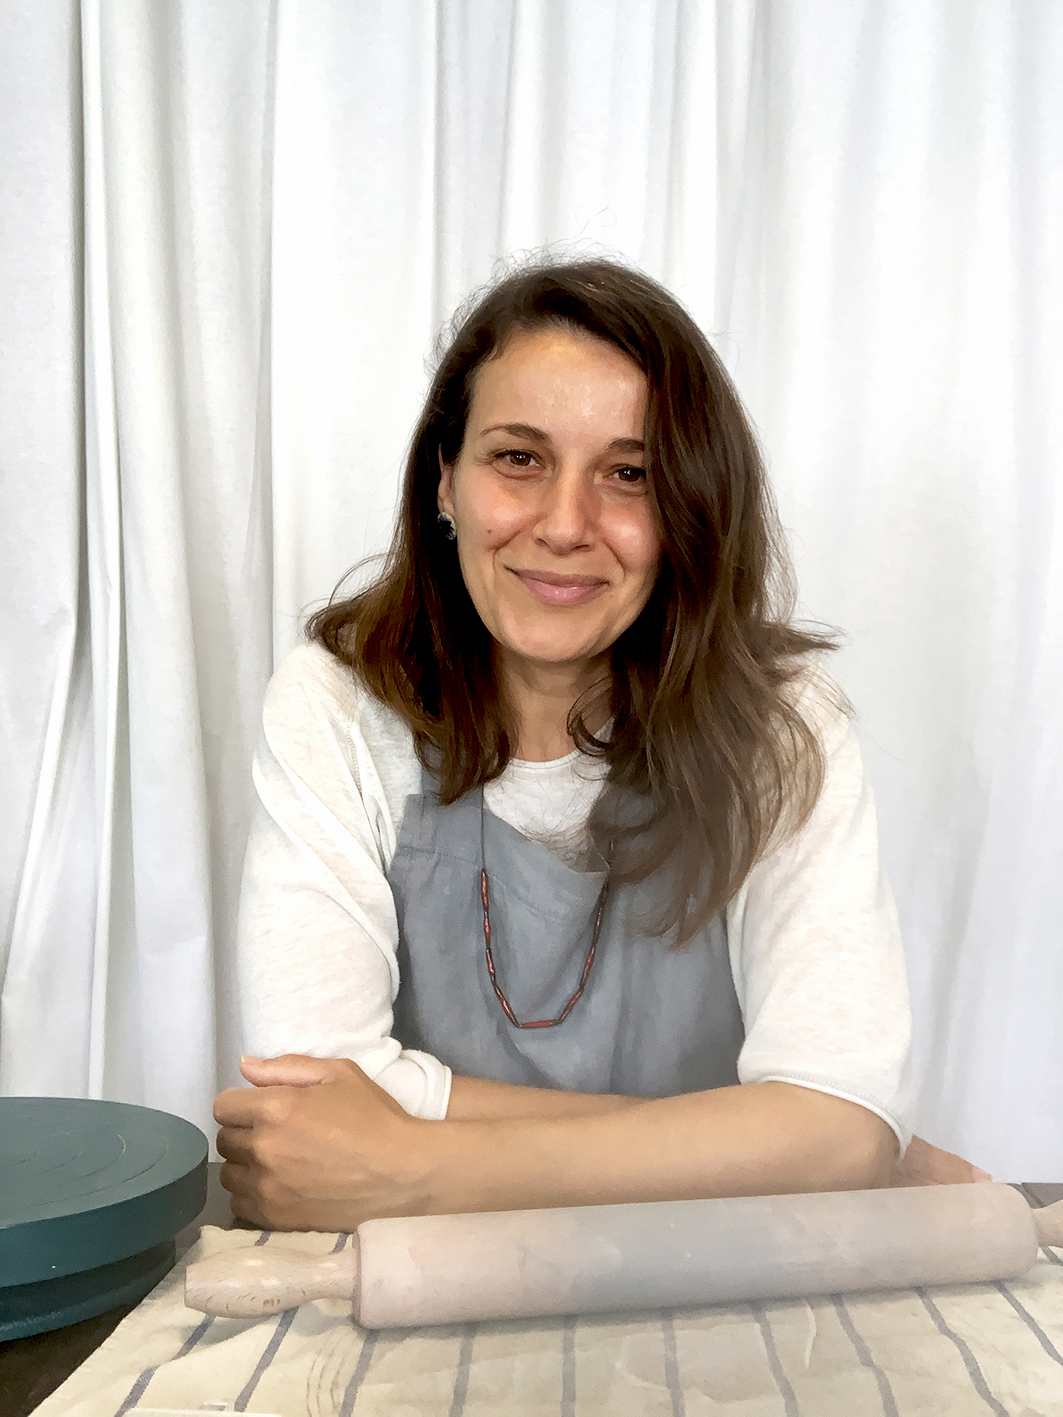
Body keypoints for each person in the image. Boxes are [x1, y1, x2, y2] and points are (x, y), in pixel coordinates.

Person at [214, 259, 984, 1232]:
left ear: (688, 508)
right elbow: (311, 1102)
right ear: (444, 480)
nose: (565, 525)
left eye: (629, 474)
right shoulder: (335, 703)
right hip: (427, 1288)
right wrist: (778, 1143)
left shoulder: (783, 724)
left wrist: (411, 1167)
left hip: (708, 1278)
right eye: (518, 458)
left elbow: (838, 1128)